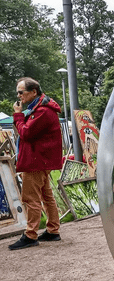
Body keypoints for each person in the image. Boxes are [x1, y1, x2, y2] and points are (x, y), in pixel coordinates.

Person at [8, 77, 63, 250]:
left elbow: (26, 133)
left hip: (36, 161)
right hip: (41, 160)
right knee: (46, 196)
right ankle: (53, 230)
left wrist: (17, 115)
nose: (19, 95)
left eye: (21, 92)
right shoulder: (40, 109)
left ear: (33, 92)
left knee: (30, 198)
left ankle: (30, 234)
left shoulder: (42, 111)